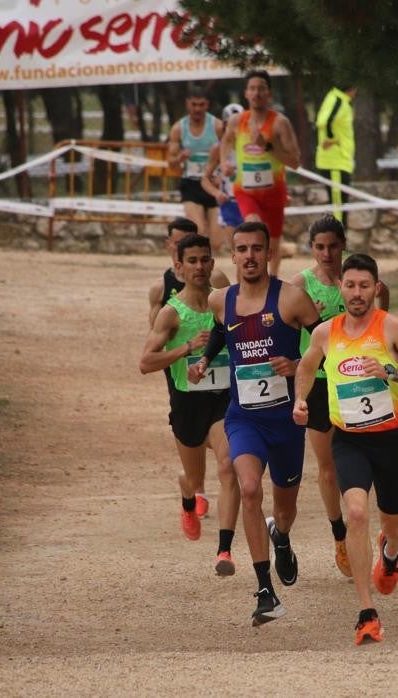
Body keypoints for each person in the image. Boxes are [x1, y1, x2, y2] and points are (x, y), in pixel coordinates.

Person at [292, 253, 398, 645]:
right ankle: (366, 612)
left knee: (393, 524)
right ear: (342, 288)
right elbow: (306, 366)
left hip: (389, 441)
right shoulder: (326, 332)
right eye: (350, 285)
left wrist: (390, 371)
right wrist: (300, 400)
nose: (357, 293)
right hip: (349, 440)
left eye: (364, 286)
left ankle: (389, 554)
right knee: (355, 513)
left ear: (376, 289)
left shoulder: (391, 327)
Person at [189, 221, 320, 625]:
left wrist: (297, 364)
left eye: (256, 249)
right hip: (243, 417)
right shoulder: (220, 299)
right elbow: (218, 330)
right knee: (247, 489)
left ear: (268, 254)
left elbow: (327, 348)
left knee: (284, 508)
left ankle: (280, 536)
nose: (249, 256)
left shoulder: (293, 299)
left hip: (285, 421)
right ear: (232, 256)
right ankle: (265, 591)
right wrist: (207, 360)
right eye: (241, 249)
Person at [287, 215, 389, 579]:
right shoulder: (299, 285)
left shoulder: (359, 283)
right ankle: (340, 534)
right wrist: (290, 364)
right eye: (319, 247)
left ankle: (373, 520)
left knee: (371, 458)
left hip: (356, 383)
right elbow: (284, 324)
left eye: (332, 245)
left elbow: (383, 325)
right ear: (311, 249)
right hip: (317, 382)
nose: (327, 253)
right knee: (327, 465)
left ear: (343, 244)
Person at [138, 233, 240, 575]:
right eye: (192, 261)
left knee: (228, 465)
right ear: (179, 267)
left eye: (205, 259)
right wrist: (186, 349)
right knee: (196, 481)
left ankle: (224, 551)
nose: (200, 266)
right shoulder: (172, 313)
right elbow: (145, 362)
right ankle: (187, 497)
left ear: (212, 262)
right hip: (188, 404)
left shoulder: (225, 302)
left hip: (224, 399)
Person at [205, 70, 301, 278]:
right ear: (246, 93)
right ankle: (246, 279)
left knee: (273, 241)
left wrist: (267, 146)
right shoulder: (236, 121)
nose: (256, 93)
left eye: (261, 89)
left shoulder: (279, 123)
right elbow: (226, 143)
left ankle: (272, 279)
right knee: (252, 230)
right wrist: (224, 162)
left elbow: (295, 162)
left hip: (274, 190)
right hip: (245, 191)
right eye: (252, 88)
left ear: (269, 94)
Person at [146, 218, 230, 329]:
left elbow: (234, 319)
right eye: (179, 243)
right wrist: (189, 346)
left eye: (189, 243)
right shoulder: (159, 288)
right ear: (168, 244)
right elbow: (155, 334)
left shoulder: (216, 279)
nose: (184, 248)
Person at [167, 88, 225, 243]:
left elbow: (231, 155)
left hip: (214, 185)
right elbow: (170, 163)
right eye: (194, 104)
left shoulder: (218, 126)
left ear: (207, 105)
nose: (197, 109)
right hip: (191, 184)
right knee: (198, 231)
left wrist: (222, 175)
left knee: (216, 242)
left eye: (201, 105)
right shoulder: (179, 128)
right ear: (187, 104)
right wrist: (180, 157)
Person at [202, 103, 247, 253]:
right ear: (224, 125)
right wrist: (217, 193)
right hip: (229, 203)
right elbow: (205, 179)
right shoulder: (218, 148)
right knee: (237, 252)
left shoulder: (251, 146)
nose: (235, 129)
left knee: (252, 250)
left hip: (250, 201)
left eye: (239, 124)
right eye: (231, 125)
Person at [314, 86, 356, 224]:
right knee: (338, 206)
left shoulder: (340, 100)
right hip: (334, 162)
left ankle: (340, 240)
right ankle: (339, 243)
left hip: (341, 161)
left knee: (341, 205)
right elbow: (324, 122)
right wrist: (331, 139)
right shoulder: (337, 100)